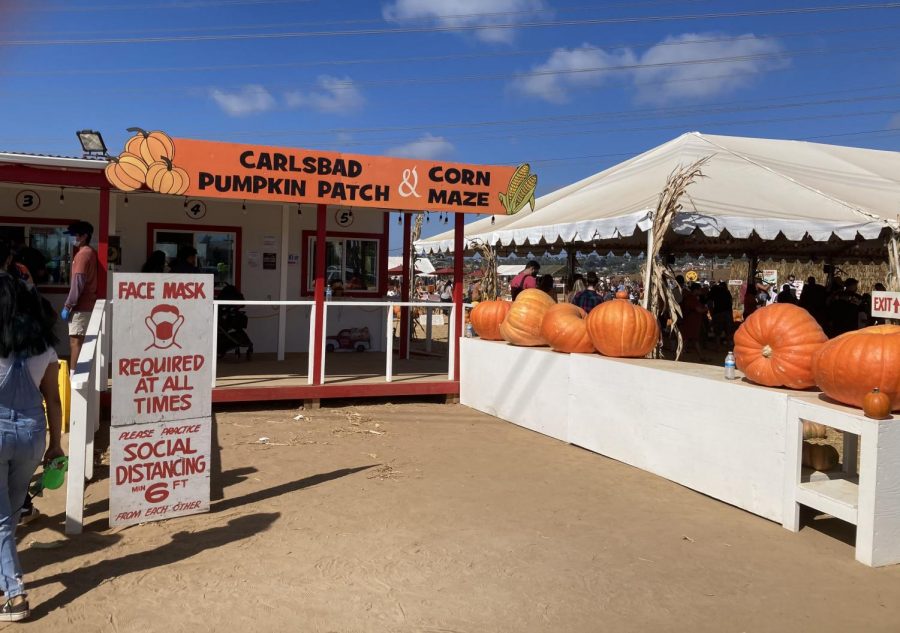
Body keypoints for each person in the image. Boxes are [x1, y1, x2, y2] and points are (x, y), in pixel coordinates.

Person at [0, 272, 65, 621]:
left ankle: (15, 596)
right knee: (7, 517)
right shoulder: (46, 348)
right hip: (32, 436)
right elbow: (53, 400)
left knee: (1, 520)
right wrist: (56, 444)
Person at [61, 221, 98, 369]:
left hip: (80, 308)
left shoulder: (82, 255)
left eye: (73, 234)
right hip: (88, 306)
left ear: (83, 236)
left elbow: (78, 283)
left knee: (75, 343)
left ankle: (74, 379)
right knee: (83, 344)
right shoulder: (91, 252)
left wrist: (68, 305)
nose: (71, 238)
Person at [708, 281, 733, 347]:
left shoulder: (714, 291)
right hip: (728, 312)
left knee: (717, 333)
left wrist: (712, 313)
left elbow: (710, 303)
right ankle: (729, 347)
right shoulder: (727, 292)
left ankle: (718, 347)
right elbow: (731, 302)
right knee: (728, 331)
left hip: (718, 313)